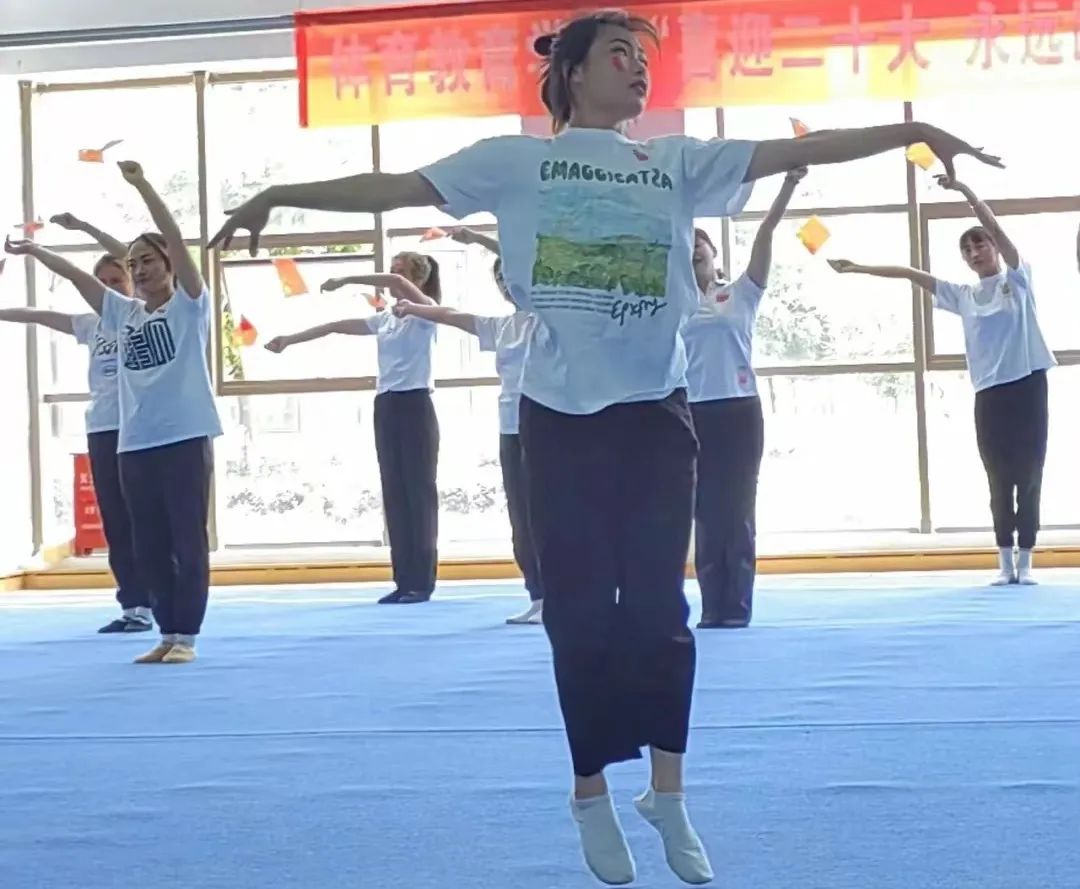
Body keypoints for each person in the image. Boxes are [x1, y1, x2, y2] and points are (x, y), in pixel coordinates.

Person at [209, 9, 1001, 884]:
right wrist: (282, 194)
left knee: (661, 610)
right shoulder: (514, 164)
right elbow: (392, 185)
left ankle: (669, 790)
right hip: (559, 418)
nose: (637, 68)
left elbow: (798, 152)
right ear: (574, 73)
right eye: (618, 53)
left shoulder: (675, 162)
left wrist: (913, 130)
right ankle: (589, 790)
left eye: (643, 56)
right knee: (579, 612)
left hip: (656, 414)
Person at [9, 160, 223, 665]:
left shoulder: (190, 306)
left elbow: (174, 236)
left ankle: (187, 635)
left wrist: (141, 184)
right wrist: (36, 251)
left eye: (148, 260)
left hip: (184, 437)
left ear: (169, 264)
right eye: (134, 264)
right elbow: (75, 277)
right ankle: (166, 631)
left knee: (185, 539)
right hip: (134, 443)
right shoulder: (121, 312)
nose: (141, 269)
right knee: (147, 543)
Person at [829, 174, 1051, 586]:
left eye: (980, 244)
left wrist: (965, 191)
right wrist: (858, 268)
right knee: (998, 478)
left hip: (1028, 386)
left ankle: (1026, 562)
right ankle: (1005, 561)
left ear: (994, 248)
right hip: (989, 394)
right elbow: (910, 273)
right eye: (967, 249)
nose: (975, 252)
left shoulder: (1018, 281)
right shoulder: (963, 296)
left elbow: (995, 225)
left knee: (1030, 476)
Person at [267, 254, 441, 605]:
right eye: (392, 270)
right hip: (387, 404)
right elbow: (334, 326)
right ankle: (403, 579)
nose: (393, 277)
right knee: (395, 493)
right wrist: (289, 339)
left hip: (415, 404)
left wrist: (345, 280)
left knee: (418, 492)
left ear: (418, 279)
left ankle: (422, 582)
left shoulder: (427, 312)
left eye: (400, 271)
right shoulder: (385, 320)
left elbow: (397, 285)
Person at [0, 235, 150, 634]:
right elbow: (37, 314)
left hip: (142, 428)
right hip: (102, 428)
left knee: (145, 517)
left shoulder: (143, 314)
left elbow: (130, 253)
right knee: (116, 520)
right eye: (101, 282)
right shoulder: (89, 324)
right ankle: (133, 605)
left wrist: (78, 229)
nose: (108, 288)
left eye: (116, 281)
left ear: (132, 282)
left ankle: (161, 599)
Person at [396, 230, 543, 624]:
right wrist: (413, 308)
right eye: (500, 279)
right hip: (511, 427)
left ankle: (566, 591)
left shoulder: (548, 320)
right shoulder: (502, 327)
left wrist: (476, 237)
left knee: (549, 513)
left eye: (511, 276)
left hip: (549, 425)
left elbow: (525, 254)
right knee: (521, 517)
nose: (506, 285)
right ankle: (539, 594)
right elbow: (449, 315)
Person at [684, 168, 805, 630]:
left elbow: (766, 231)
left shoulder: (740, 293)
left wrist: (789, 184)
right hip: (690, 411)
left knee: (736, 509)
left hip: (737, 410)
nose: (694, 248)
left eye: (701, 242)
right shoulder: (671, 304)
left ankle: (736, 605)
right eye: (686, 243)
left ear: (714, 253)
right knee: (703, 511)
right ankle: (712, 605)